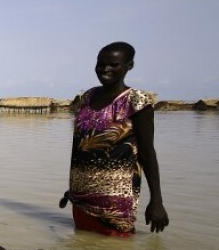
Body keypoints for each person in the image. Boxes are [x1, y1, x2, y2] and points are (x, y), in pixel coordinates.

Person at [60, 41, 168, 236]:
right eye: (100, 64)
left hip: (115, 199)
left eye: (113, 64)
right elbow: (83, 146)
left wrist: (157, 201)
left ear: (129, 65)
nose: (105, 69)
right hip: (81, 197)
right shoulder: (88, 97)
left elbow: (147, 152)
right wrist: (72, 188)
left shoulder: (136, 101)